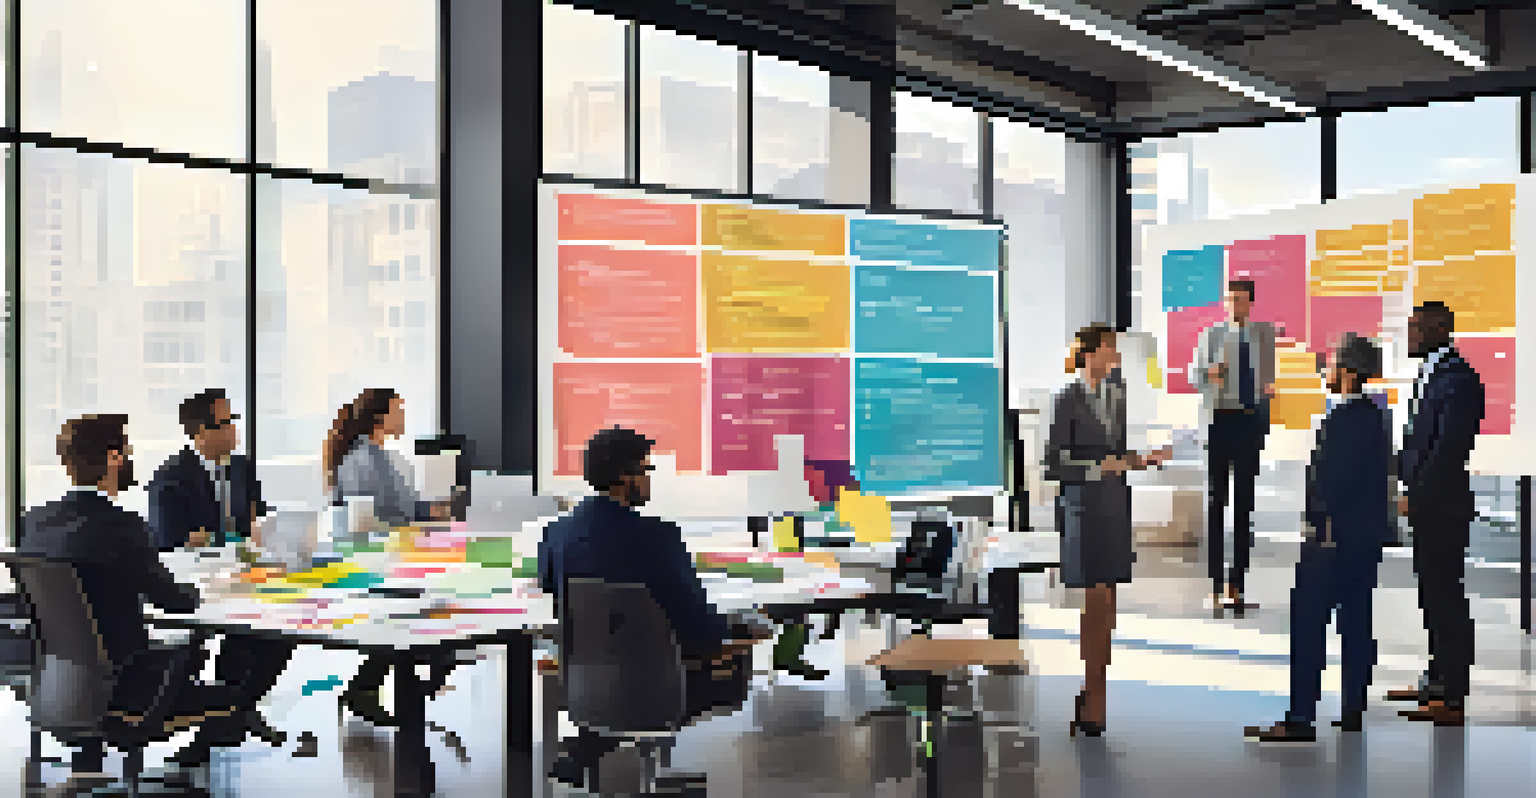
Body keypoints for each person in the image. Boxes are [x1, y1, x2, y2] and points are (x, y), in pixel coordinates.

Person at [539, 426, 768, 787]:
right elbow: (702, 631)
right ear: (623, 477)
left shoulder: (556, 533)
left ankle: (592, 744)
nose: (648, 480)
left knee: (627, 669)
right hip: (661, 683)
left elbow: (556, 595)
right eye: (646, 470)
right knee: (729, 653)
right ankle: (603, 747)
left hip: (583, 682)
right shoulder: (657, 536)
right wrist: (738, 629)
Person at [18, 415, 240, 777]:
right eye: (127, 450)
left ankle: (89, 761)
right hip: (128, 691)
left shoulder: (36, 521)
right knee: (229, 689)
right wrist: (204, 589)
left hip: (56, 685)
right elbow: (175, 602)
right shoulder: (122, 525)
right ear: (113, 458)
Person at [1245, 333, 1393, 742]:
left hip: (1332, 540)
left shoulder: (1345, 419)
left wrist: (1316, 525)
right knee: (1356, 620)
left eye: (1331, 367)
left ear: (1347, 374)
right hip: (1363, 539)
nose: (1326, 372)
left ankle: (1300, 716)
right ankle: (1352, 707)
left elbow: (1332, 482)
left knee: (1308, 620)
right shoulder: (1375, 417)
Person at [145, 389, 298, 766]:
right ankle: (227, 717)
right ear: (200, 432)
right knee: (242, 634)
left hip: (245, 577)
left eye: (233, 420)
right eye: (225, 422)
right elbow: (168, 541)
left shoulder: (242, 468)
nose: (234, 429)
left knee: (279, 633)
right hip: (198, 585)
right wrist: (213, 540)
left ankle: (234, 711)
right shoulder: (170, 478)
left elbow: (256, 519)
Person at [1045, 325, 1169, 737]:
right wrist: (1100, 468)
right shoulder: (1066, 400)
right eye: (1110, 348)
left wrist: (1143, 459)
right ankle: (1093, 696)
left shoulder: (1117, 393)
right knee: (1095, 600)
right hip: (1083, 509)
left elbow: (1115, 452)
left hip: (1115, 505)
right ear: (1090, 354)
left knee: (1109, 600)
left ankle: (1094, 692)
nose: (1115, 355)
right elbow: (1055, 464)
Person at [327, 389, 459, 726]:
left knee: (422, 623)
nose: (402, 417)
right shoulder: (360, 460)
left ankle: (366, 690)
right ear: (379, 417)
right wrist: (414, 522)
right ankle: (398, 695)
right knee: (425, 623)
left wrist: (432, 511)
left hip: (398, 559)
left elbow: (404, 507)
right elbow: (364, 518)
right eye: (398, 410)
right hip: (378, 563)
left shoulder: (384, 456)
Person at [1385, 302, 1485, 726]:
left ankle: (1454, 696)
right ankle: (1437, 680)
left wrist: (1418, 496)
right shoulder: (1434, 374)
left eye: (1416, 328)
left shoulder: (1458, 379)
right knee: (1432, 595)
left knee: (1446, 598)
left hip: (1442, 506)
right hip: (1429, 504)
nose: (1409, 335)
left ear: (1440, 328)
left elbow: (1448, 451)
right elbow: (1419, 441)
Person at [1192, 279, 1277, 614]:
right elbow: (1194, 376)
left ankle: (1236, 586)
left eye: (1241, 300)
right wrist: (1209, 372)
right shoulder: (1211, 335)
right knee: (1216, 505)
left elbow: (1268, 380)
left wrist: (1263, 423)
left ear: (1250, 303)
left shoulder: (1264, 335)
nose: (1235, 305)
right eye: (1231, 299)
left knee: (1244, 507)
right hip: (1219, 422)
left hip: (1248, 422)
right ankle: (1213, 586)